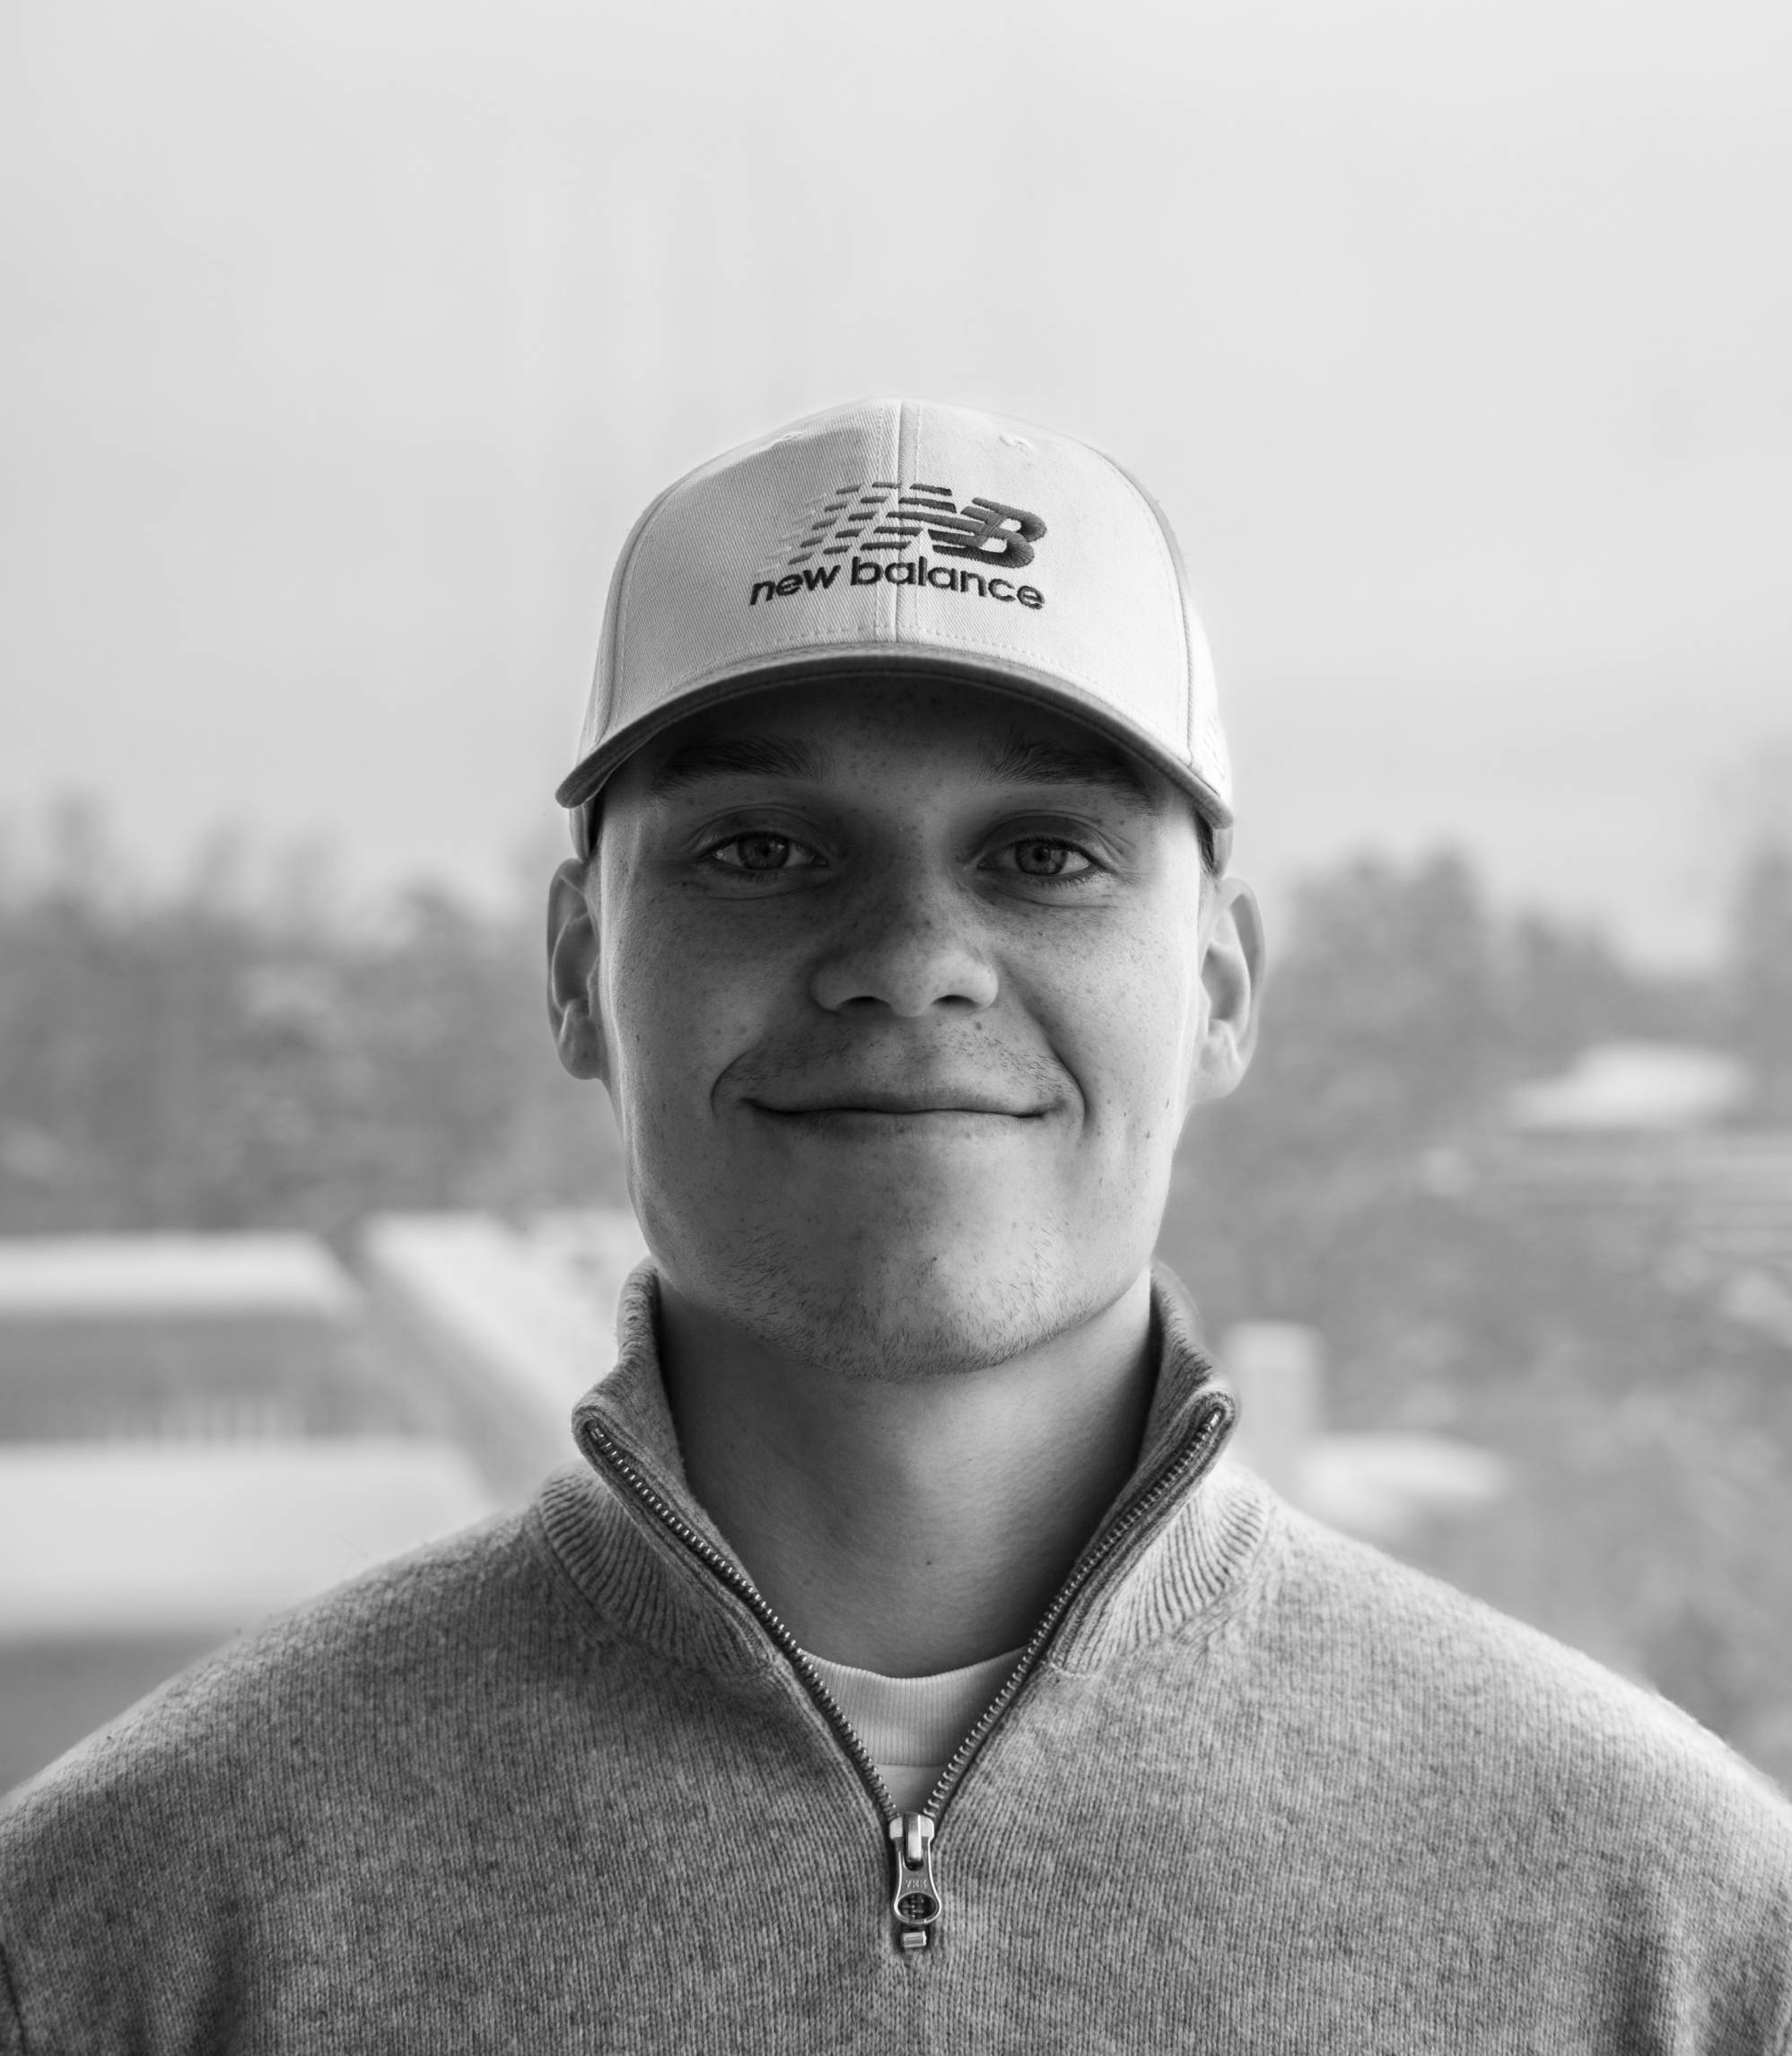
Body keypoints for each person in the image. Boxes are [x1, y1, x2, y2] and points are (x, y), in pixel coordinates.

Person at [2, 398, 1788, 2052]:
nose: (912, 960)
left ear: (1224, 987)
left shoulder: (1675, 1929)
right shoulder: (134, 1924)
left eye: (1043, 854)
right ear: (576, 971)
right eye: (765, 851)